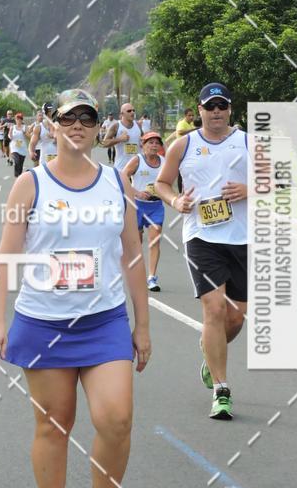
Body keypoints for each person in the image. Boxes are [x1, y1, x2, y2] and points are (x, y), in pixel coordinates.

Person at [0, 88, 150, 488]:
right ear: (53, 125)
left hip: (104, 321)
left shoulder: (116, 182)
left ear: (99, 128)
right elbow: (6, 257)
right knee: (55, 426)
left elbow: (133, 257)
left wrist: (143, 326)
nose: (78, 125)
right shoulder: (31, 184)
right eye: (68, 117)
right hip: (44, 323)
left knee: (116, 418)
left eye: (87, 118)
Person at [156, 83, 247, 421]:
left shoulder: (249, 141)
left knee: (235, 318)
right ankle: (221, 390)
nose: (217, 112)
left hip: (242, 238)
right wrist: (175, 200)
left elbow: (276, 180)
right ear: (200, 110)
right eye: (211, 107)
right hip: (201, 238)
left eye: (222, 105)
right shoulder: (184, 144)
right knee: (213, 310)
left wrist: (249, 188)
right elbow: (162, 184)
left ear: (230, 109)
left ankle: (209, 352)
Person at [123, 132, 165, 292]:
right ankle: (136, 273)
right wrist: (136, 192)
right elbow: (124, 176)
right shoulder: (137, 160)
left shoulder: (164, 162)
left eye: (156, 143)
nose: (154, 145)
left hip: (156, 206)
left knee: (155, 241)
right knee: (137, 242)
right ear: (143, 145)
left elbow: (169, 180)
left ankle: (151, 277)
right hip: (137, 206)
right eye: (150, 142)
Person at [101, 103, 142, 172]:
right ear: (122, 114)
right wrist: (120, 139)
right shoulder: (116, 126)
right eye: (129, 111)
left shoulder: (138, 125)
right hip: (121, 169)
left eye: (133, 110)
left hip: (136, 168)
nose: (132, 112)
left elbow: (144, 140)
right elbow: (104, 143)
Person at [9, 112, 30, 177]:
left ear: (22, 120)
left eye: (20, 119)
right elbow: (10, 137)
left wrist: (25, 133)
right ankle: (16, 174)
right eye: (17, 119)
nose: (18, 120)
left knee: (20, 163)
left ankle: (19, 175)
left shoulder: (25, 127)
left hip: (22, 148)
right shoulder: (13, 127)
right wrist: (10, 132)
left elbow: (29, 137)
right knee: (17, 161)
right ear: (15, 120)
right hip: (14, 148)